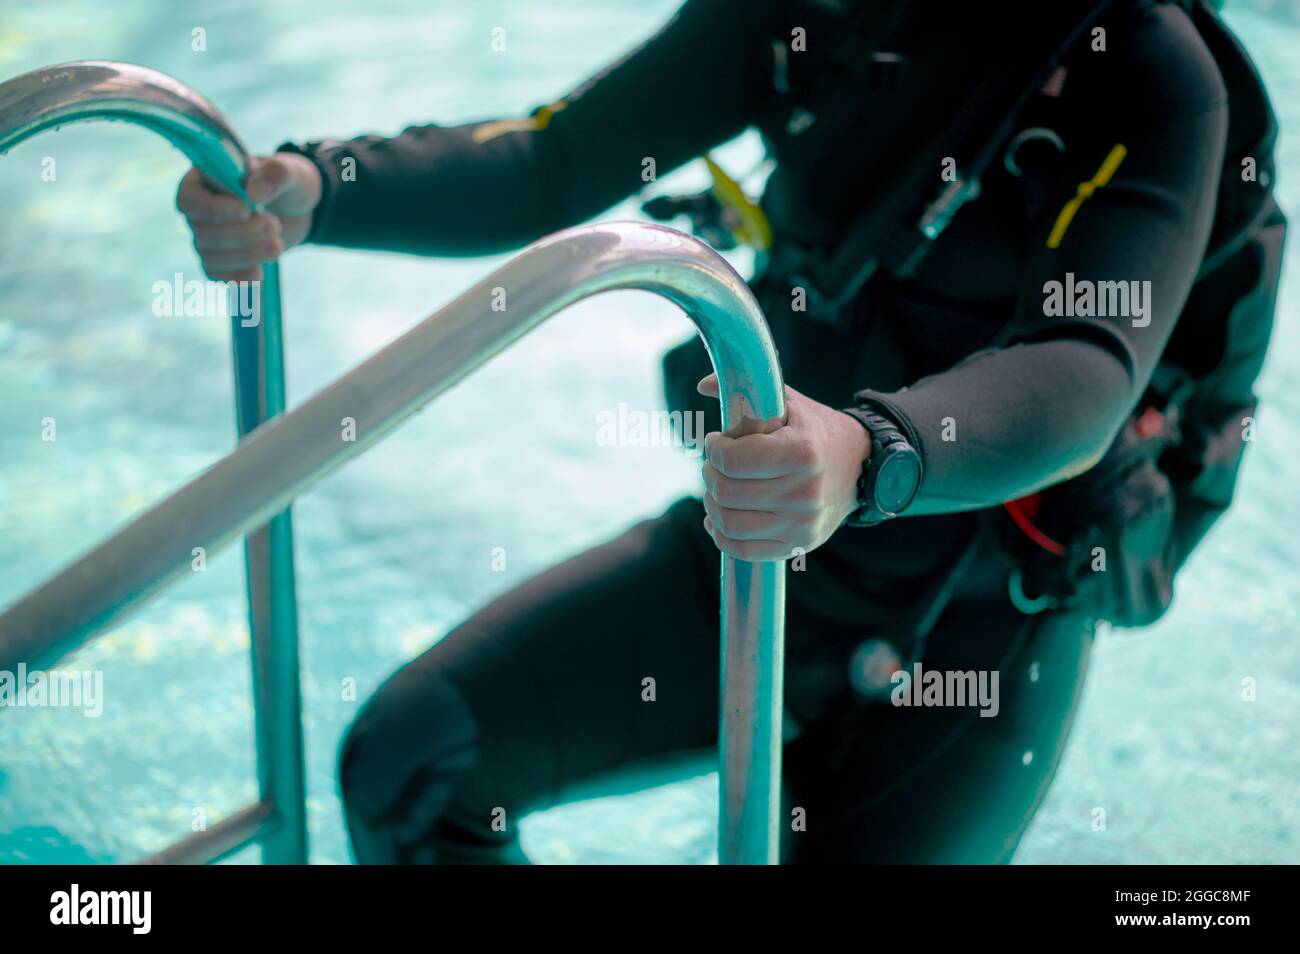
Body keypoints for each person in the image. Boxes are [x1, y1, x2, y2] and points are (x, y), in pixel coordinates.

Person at [175, 0, 1284, 863]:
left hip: (977, 632)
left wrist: (867, 452)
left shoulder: (1152, 75)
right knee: (414, 765)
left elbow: (1085, 365)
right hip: (761, 554)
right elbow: (561, 158)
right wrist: (323, 186)